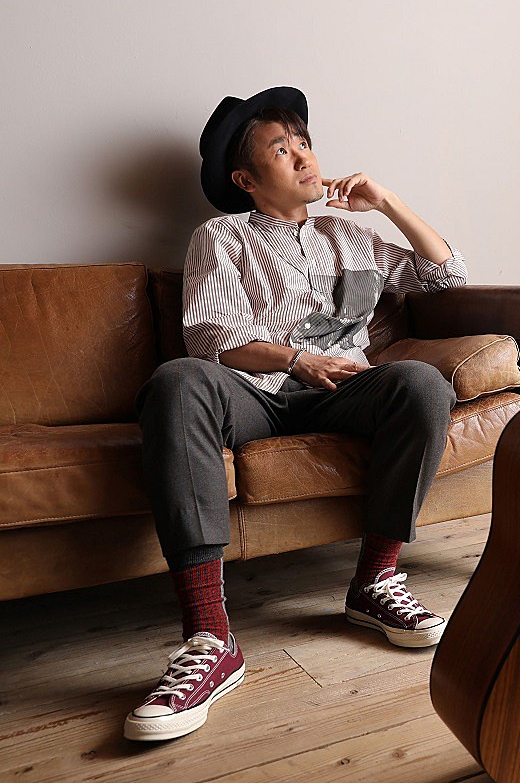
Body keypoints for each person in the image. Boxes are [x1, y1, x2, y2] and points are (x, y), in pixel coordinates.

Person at [124, 86, 467, 741]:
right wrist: (297, 358)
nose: (304, 156)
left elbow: (449, 276)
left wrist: (387, 203)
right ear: (246, 179)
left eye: (304, 142)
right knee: (177, 381)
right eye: (282, 149)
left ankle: (375, 582)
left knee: (422, 383)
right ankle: (211, 637)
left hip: (345, 393)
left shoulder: (353, 236)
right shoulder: (221, 236)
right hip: (256, 394)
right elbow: (210, 338)